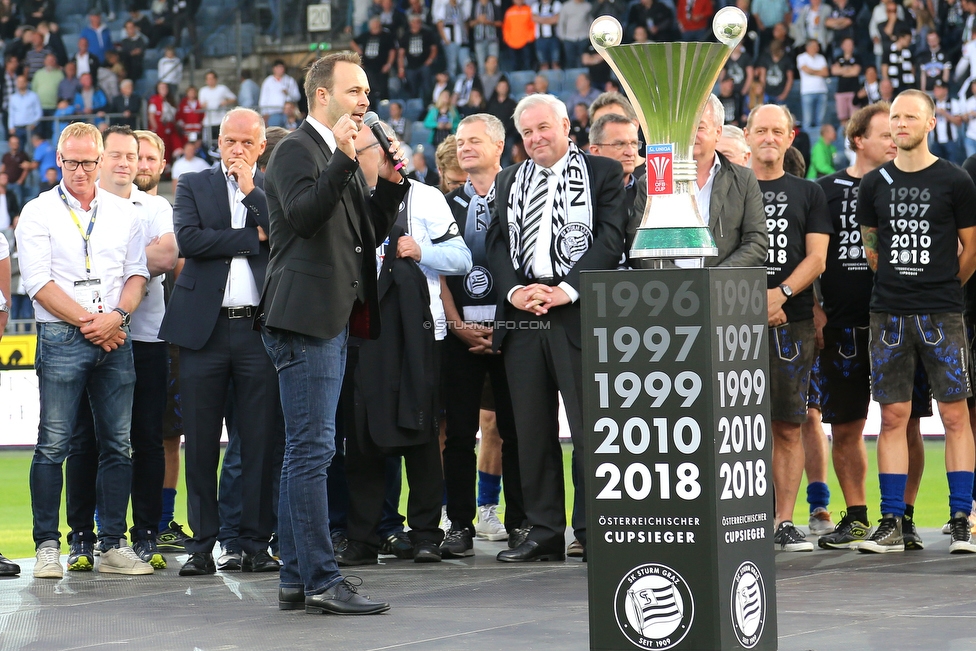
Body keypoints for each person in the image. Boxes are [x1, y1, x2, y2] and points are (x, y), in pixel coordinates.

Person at [257, 51, 406, 615]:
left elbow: (362, 231)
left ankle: (297, 579)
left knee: (308, 451)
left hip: (327, 318)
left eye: (367, 92)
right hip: (304, 319)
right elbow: (301, 217)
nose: (365, 101)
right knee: (311, 453)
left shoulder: (327, 153)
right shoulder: (297, 148)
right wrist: (346, 160)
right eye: (355, 92)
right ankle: (320, 577)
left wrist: (391, 185)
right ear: (323, 96)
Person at [485, 94, 626, 562]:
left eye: (543, 128)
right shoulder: (507, 179)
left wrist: (567, 289)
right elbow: (497, 245)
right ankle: (544, 532)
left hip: (578, 312)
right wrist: (515, 293)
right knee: (530, 431)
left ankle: (592, 531)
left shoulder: (602, 172)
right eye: (526, 132)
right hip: (525, 315)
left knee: (591, 431)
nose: (535, 138)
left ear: (567, 124)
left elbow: (611, 238)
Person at [17, 121, 151, 578]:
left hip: (115, 334)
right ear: (58, 159)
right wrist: (94, 322)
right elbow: (37, 282)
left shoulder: (124, 212)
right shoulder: (37, 212)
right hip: (64, 336)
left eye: (87, 162)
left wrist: (118, 318)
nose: (79, 170)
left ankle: (112, 544)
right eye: (71, 161)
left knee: (119, 444)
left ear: (100, 161)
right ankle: (48, 547)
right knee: (54, 444)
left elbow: (137, 274)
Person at [158, 108, 282, 577]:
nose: (236, 149)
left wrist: (252, 193)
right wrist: (253, 237)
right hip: (201, 334)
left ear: (261, 146)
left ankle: (253, 543)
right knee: (202, 444)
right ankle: (203, 546)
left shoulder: (273, 187)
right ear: (218, 142)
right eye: (229, 141)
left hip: (257, 330)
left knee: (257, 442)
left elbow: (285, 233)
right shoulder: (193, 182)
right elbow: (188, 241)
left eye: (246, 143)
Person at [856, 90, 976, 554]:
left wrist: (942, 286)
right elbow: (872, 253)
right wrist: (902, 284)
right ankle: (891, 520)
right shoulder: (874, 183)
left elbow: (971, 249)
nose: (900, 124)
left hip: (943, 312)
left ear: (930, 124)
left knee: (954, 415)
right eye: (894, 117)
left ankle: (962, 518)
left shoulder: (955, 180)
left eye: (910, 117)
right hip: (888, 312)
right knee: (893, 416)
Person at [63, 125, 177, 571]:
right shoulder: (77, 208)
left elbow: (166, 256)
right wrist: (123, 273)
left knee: (146, 438)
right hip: (87, 334)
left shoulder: (154, 205)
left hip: (144, 336)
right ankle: (82, 539)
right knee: (84, 442)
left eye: (135, 155)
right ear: (98, 158)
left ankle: (145, 534)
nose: (128, 162)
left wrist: (115, 273)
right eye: (117, 154)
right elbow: (64, 267)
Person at [815, 101, 925, 550]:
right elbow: (813, 256)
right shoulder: (823, 190)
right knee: (846, 426)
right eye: (884, 134)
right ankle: (857, 517)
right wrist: (817, 307)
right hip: (843, 324)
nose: (893, 138)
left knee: (910, 424)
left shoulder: (908, 185)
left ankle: (905, 518)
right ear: (859, 139)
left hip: (900, 321)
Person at [744, 103, 832, 552]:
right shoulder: (729, 187)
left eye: (777, 131)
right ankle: (745, 517)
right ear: (747, 135)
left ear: (790, 136)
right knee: (737, 426)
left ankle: (783, 520)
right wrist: (751, 301)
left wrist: (778, 295)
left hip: (791, 322)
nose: (769, 138)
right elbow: (717, 253)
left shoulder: (808, 193)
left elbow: (817, 258)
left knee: (786, 426)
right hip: (734, 321)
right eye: (761, 130)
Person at [441, 113, 526, 551]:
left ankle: (521, 523)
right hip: (461, 334)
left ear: (498, 146)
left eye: (475, 140)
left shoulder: (521, 198)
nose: (465, 147)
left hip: (511, 330)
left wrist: (505, 322)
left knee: (515, 430)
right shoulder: (446, 205)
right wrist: (457, 325)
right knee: (458, 433)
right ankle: (458, 523)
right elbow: (437, 274)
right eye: (460, 141)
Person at [635, 94, 767, 267]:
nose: (690, 133)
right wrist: (678, 281)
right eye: (685, 126)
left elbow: (756, 242)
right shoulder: (652, 179)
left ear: (718, 132)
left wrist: (714, 279)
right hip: (669, 289)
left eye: (700, 127)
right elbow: (640, 243)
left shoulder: (744, 179)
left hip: (723, 287)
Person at [198, 71, 236, 145]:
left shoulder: (222, 88)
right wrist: (204, 105)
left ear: (216, 79)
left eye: (212, 78)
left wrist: (225, 102)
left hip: (221, 120)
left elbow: (233, 98)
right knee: (209, 143)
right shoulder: (203, 91)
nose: (210, 81)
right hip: (209, 121)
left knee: (222, 142)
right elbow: (200, 104)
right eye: (208, 79)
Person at [147, 81, 181, 164]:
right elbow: (151, 116)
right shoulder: (154, 100)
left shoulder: (170, 100)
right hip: (160, 128)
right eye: (161, 88)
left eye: (165, 88)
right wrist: (156, 128)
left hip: (170, 128)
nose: (164, 90)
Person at [258, 60, 300, 126]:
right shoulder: (268, 81)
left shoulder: (290, 80)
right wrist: (264, 113)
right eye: (278, 68)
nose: (281, 70)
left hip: (287, 113)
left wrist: (288, 93)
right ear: (274, 69)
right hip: (272, 113)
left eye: (282, 68)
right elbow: (263, 98)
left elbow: (297, 97)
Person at [531, 0, 561, 70]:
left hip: (554, 38)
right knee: (543, 64)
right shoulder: (535, 5)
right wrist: (550, 20)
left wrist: (541, 19)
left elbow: (556, 19)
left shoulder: (556, 4)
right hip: (540, 39)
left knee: (556, 62)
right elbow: (534, 18)